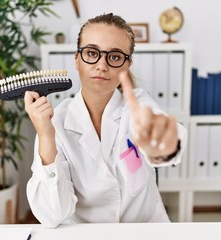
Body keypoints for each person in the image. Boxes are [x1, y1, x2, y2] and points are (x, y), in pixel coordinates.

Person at [24, 13, 187, 228]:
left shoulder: (138, 104)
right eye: (91, 53)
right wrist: (45, 136)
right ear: (77, 59)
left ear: (127, 65)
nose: (101, 65)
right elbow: (52, 215)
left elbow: (162, 130)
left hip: (144, 229)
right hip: (86, 233)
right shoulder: (57, 122)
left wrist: (162, 144)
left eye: (115, 56)